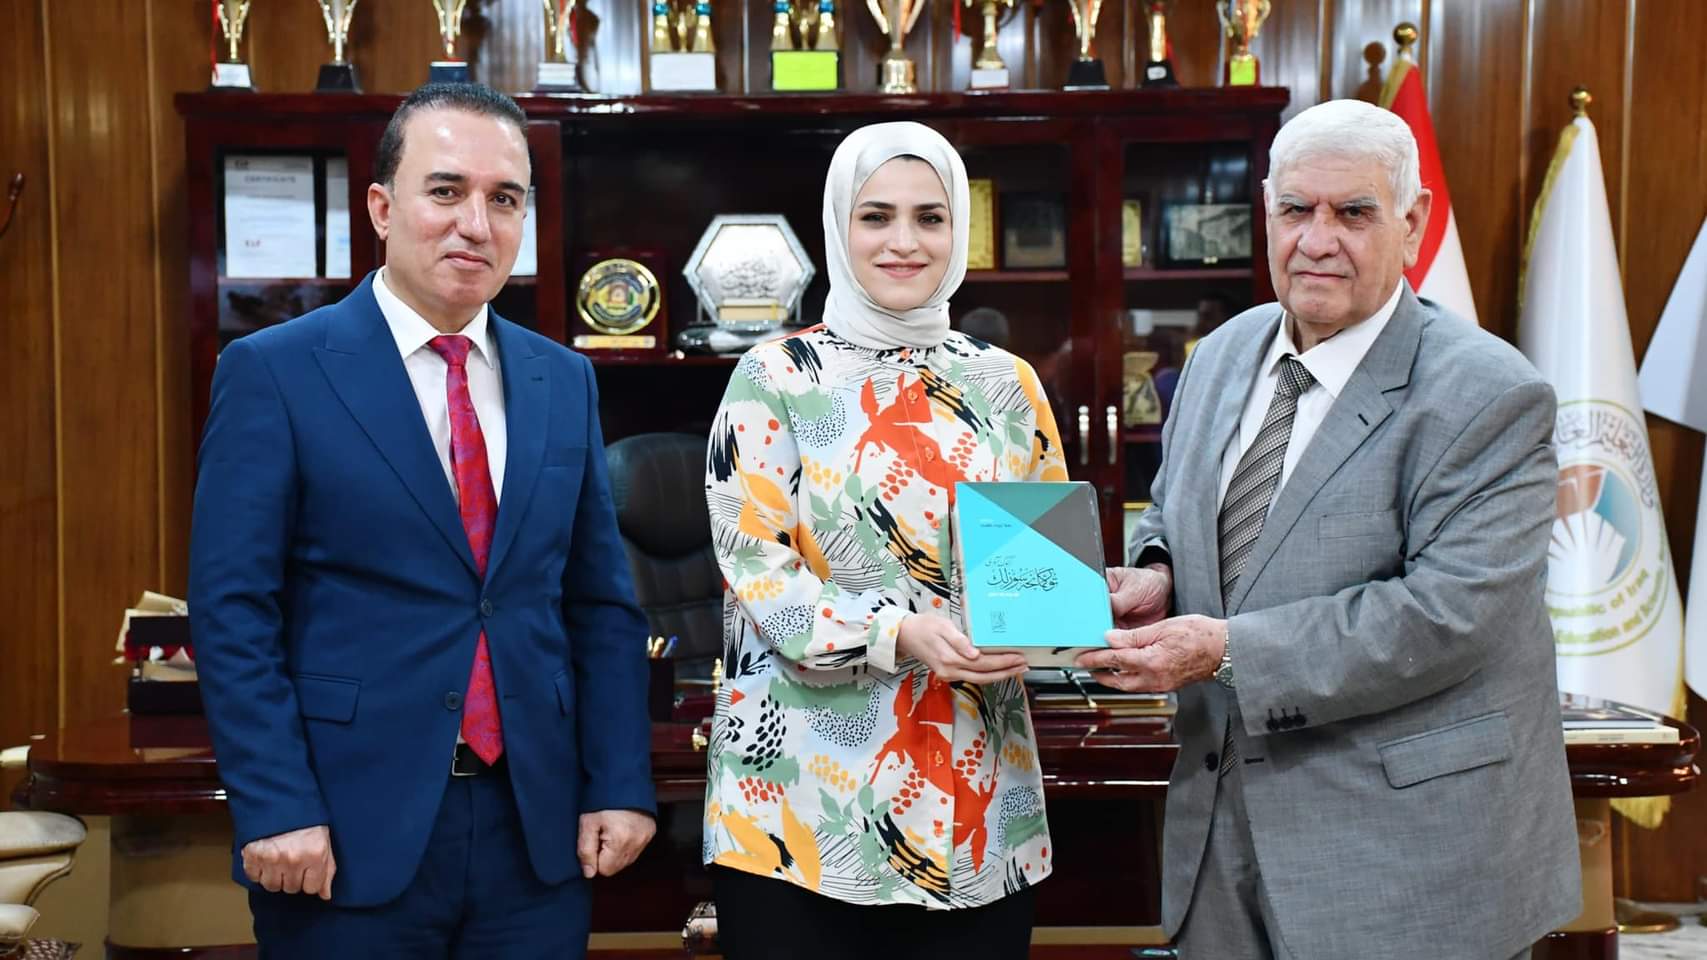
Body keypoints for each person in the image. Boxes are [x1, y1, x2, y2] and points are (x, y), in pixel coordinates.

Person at [1080, 99, 1579, 960]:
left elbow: (1447, 614)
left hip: (1405, 857)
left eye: (1352, 213)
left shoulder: (1489, 394)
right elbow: (1172, 508)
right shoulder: (1221, 355)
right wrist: (1158, 573)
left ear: (1411, 223)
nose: (1317, 240)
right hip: (1219, 837)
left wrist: (1221, 649)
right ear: (1265, 211)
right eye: (1295, 210)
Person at [188, 82, 655, 958]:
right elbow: (232, 611)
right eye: (446, 191)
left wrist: (619, 781)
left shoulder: (563, 379)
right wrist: (277, 803)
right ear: (381, 207)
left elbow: (600, 605)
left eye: (503, 199)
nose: (475, 224)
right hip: (344, 828)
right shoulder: (275, 371)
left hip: (536, 829)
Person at [702, 121, 1065, 960]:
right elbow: (757, 569)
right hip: (799, 816)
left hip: (978, 806)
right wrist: (898, 631)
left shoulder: (1007, 383)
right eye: (876, 216)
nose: (904, 241)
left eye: (930, 217)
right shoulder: (773, 376)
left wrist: (1062, 617)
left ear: (957, 230)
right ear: (839, 227)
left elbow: (1038, 574)